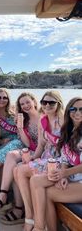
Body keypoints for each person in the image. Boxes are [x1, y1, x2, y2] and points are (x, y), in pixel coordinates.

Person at [0, 92, 39, 224]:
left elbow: (44, 144)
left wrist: (33, 157)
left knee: (18, 168)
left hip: (42, 154)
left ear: (34, 101)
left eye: (27, 102)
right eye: (22, 104)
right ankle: (4, 195)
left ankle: (18, 208)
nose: (25, 106)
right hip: (31, 150)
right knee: (11, 156)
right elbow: (27, 144)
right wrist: (20, 128)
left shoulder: (43, 117)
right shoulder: (24, 120)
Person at [30, 97, 82, 231]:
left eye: (81, 109)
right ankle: (39, 227)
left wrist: (65, 173)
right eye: (73, 109)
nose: (77, 112)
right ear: (68, 111)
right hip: (74, 176)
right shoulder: (69, 130)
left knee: (46, 193)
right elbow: (65, 157)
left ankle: (39, 228)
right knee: (36, 181)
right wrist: (63, 175)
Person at [15, 91, 64, 230]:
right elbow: (41, 145)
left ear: (58, 103)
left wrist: (64, 170)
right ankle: (30, 216)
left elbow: (70, 148)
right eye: (44, 102)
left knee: (22, 171)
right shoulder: (43, 120)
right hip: (46, 157)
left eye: (51, 102)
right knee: (18, 168)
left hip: (59, 160)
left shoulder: (64, 120)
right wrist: (33, 158)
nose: (47, 105)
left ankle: (34, 221)